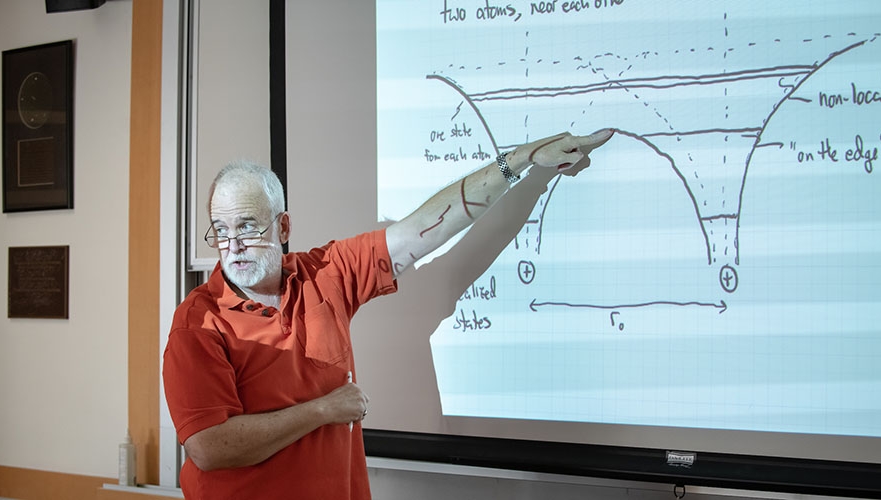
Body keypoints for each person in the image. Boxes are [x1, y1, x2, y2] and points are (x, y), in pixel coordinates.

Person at [162, 129, 615, 499]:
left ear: (283, 227)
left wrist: (521, 160)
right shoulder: (197, 324)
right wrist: (323, 410)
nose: (233, 245)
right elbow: (209, 446)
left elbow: (424, 229)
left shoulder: (326, 273)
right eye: (220, 230)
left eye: (247, 226)